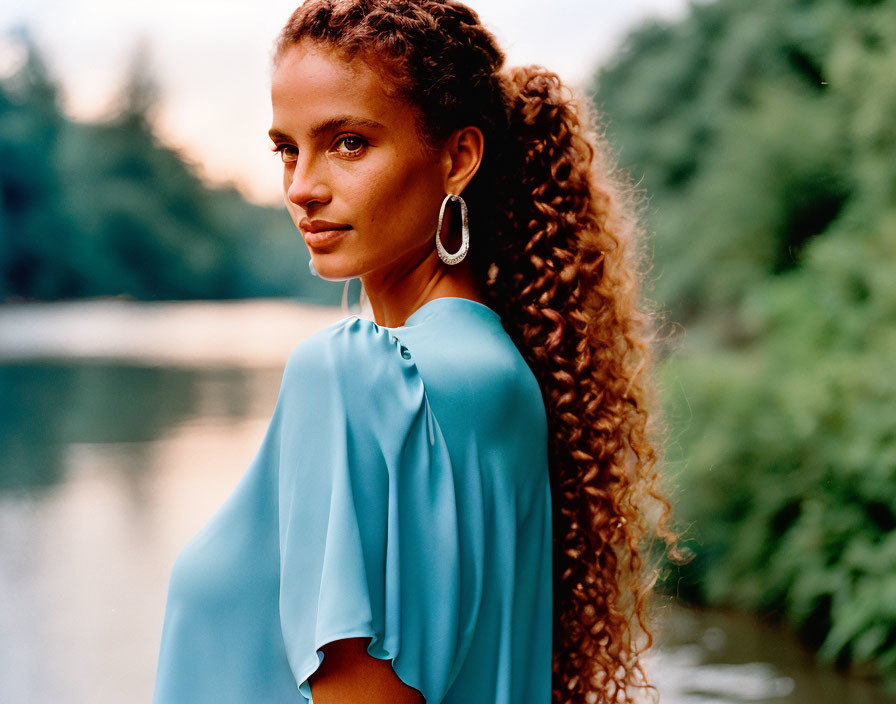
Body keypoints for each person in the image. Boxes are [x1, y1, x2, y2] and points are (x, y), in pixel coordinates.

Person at [152, 1, 677, 702]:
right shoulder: (508, 381)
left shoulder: (352, 375)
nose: (303, 187)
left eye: (347, 144)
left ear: (457, 157)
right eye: (287, 148)